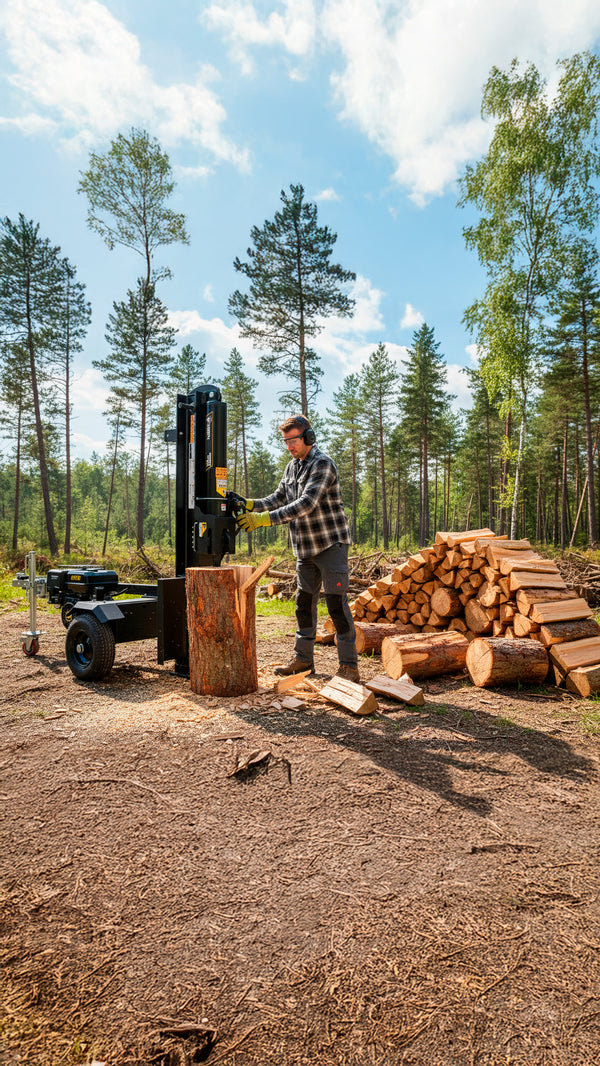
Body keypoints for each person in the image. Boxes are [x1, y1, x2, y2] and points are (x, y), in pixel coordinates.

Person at [237, 415, 359, 682]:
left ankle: (349, 666)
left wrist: (263, 520)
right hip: (304, 549)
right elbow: (278, 497)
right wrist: (250, 505)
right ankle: (303, 661)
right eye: (285, 441)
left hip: (330, 545)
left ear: (308, 438)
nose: (289, 446)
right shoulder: (292, 467)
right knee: (304, 604)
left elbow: (306, 503)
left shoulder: (323, 464)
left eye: (293, 440)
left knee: (337, 606)